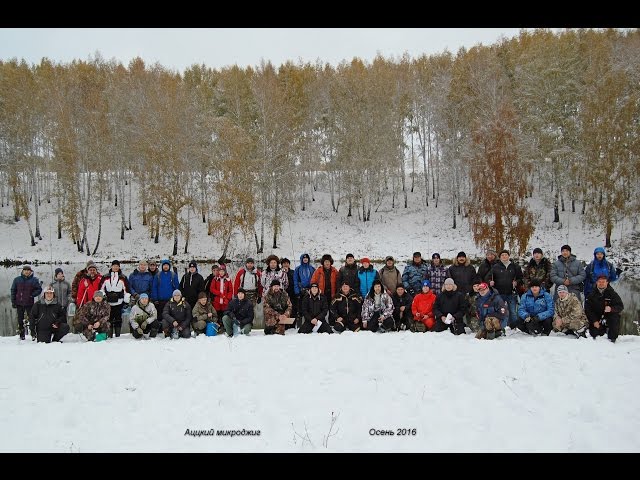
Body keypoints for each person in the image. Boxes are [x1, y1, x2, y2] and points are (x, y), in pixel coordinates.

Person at [585, 275, 624, 343]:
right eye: (599, 281)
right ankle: (602, 330)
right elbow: (588, 310)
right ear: (596, 282)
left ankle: (612, 338)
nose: (601, 283)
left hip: (609, 317)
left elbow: (620, 306)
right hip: (597, 318)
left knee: (615, 317)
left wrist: (611, 309)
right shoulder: (591, 294)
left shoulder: (613, 294)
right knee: (594, 333)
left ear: (607, 282)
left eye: (603, 282)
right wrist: (594, 321)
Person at [10, 264, 42, 340]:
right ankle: (22, 335)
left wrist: (32, 295)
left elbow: (39, 289)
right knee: (20, 320)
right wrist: (13, 301)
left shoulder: (34, 280)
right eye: (25, 270)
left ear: (30, 271)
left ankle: (33, 334)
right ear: (22, 271)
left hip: (29, 303)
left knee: (32, 319)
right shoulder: (17, 279)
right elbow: (13, 290)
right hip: (19, 303)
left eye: (28, 270)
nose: (27, 272)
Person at [100, 260, 130, 338]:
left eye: (117, 266)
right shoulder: (105, 276)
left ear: (119, 267)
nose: (115, 267)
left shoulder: (123, 277)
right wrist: (103, 298)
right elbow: (101, 288)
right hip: (108, 302)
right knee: (109, 319)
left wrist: (126, 301)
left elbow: (126, 289)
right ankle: (110, 335)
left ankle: (117, 336)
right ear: (111, 266)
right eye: (114, 266)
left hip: (119, 302)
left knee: (118, 319)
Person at [294, 253, 316, 325]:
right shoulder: (298, 269)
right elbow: (295, 280)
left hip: (310, 291)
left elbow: (315, 279)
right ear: (301, 259)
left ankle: (309, 323)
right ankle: (299, 324)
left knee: (309, 307)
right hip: (301, 290)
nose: (305, 259)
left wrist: (313, 290)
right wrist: (297, 290)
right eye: (304, 258)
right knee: (300, 308)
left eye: (307, 258)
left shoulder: (312, 268)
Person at [280, 258, 297, 329]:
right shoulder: (279, 272)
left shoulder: (293, 272)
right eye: (284, 263)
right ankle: (285, 325)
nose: (286, 265)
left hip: (292, 294)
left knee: (293, 310)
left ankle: (292, 325)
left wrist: (288, 273)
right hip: (282, 295)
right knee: (284, 309)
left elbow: (295, 282)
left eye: (287, 263)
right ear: (281, 265)